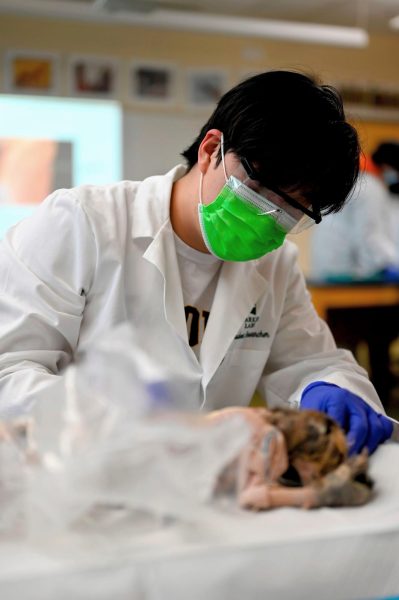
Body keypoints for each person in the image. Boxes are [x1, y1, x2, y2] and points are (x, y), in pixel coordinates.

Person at [0, 70, 393, 455]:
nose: (269, 215)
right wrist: (119, 419)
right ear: (210, 150)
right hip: (68, 476)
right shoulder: (80, 223)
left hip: (201, 488)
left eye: (292, 208)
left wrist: (331, 385)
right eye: (258, 190)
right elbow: (11, 372)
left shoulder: (276, 265)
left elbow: (311, 360)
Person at [310, 141, 399, 282]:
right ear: (388, 166)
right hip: (347, 271)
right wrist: (389, 263)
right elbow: (369, 235)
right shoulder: (371, 187)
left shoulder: (353, 180)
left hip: (328, 266)